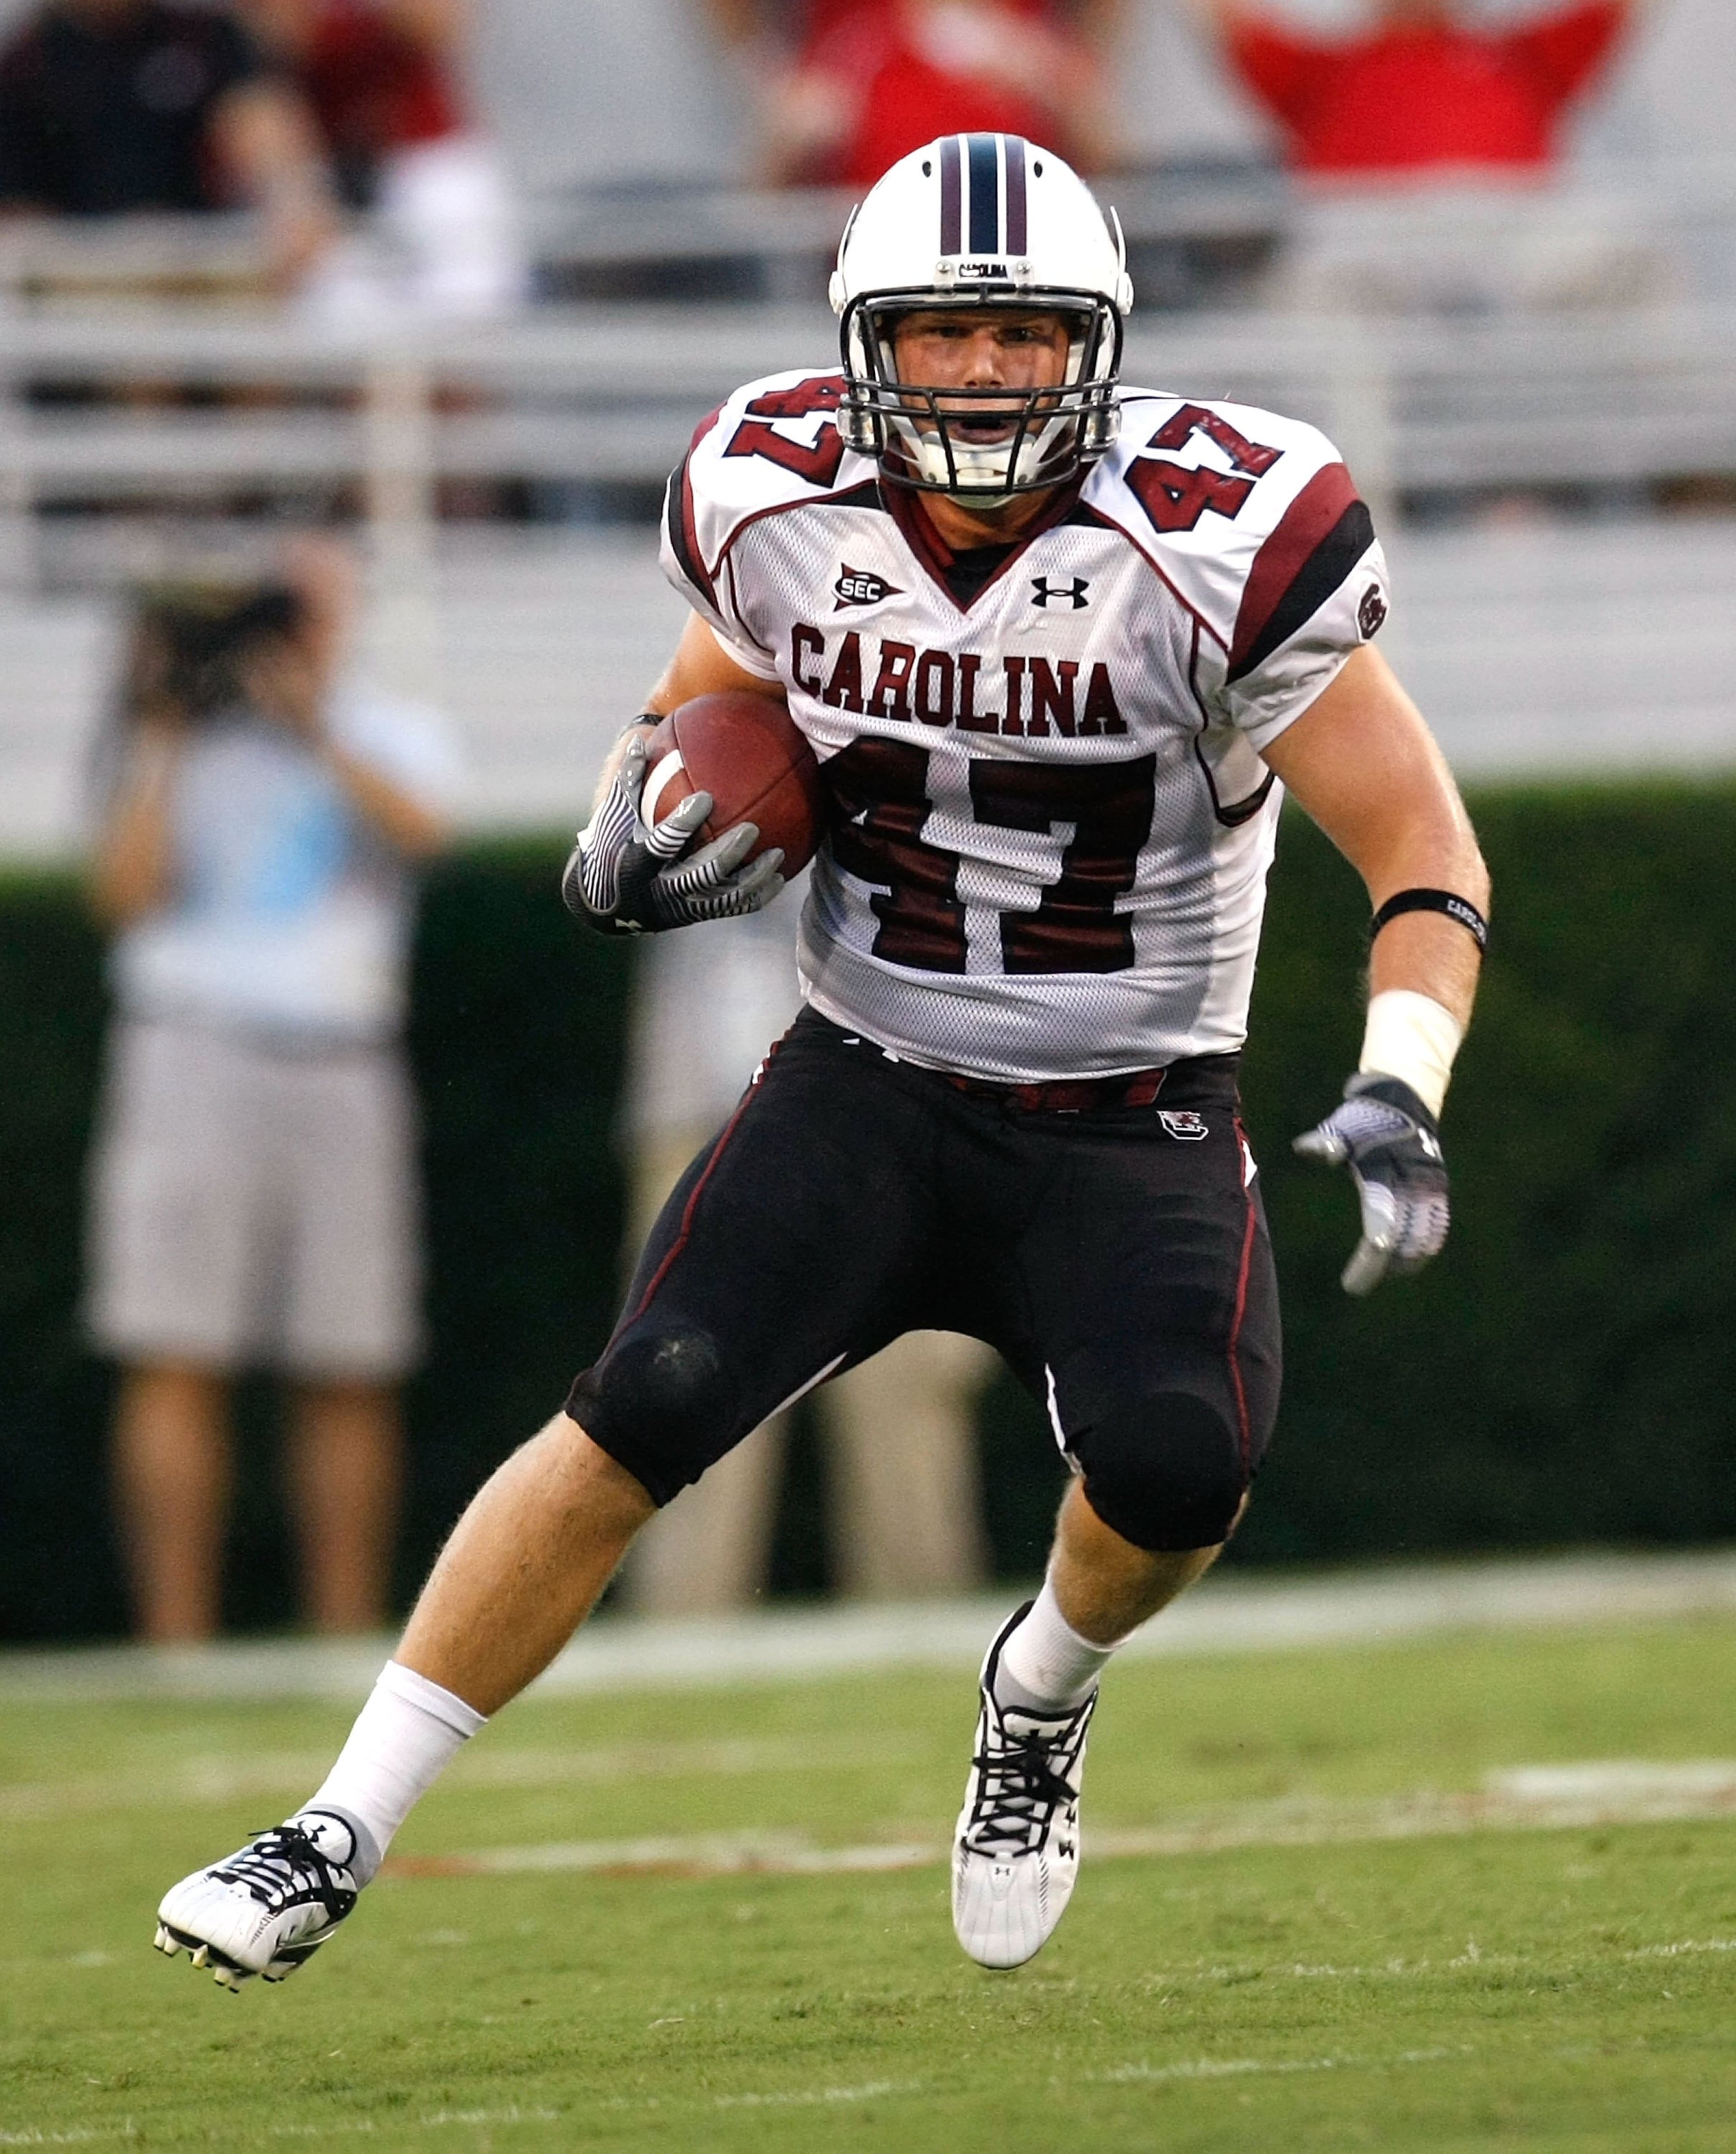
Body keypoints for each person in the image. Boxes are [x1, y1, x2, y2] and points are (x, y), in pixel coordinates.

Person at [153, 133, 1488, 1985]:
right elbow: (703, 695)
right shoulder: (773, 498)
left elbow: (1423, 844)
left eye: (1027, 336)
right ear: (869, 345)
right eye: (942, 331)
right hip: (867, 1074)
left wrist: (1400, 1081)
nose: (985, 374)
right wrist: (638, 813)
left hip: (1134, 1110)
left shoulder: (1220, 537)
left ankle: (1038, 1695)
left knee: (1181, 1471)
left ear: (1100, 346)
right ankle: (334, 1827)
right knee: (640, 1403)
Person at [85, 543, 458, 1642]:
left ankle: (343, 1625)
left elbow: (423, 835)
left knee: (351, 1353)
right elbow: (122, 893)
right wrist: (161, 725)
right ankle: (176, 1636)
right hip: (191, 1048)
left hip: (341, 1055)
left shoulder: (387, 725)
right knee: (174, 1346)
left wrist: (314, 724)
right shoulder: (175, 732)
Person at [620, 887, 992, 1612]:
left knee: (907, 1430)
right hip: (709, 1097)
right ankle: (678, 1646)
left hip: (897, 1093)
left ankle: (929, 1652)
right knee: (681, 1399)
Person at [0, 0, 336, 290]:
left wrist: (293, 198)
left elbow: (260, 118)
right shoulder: (23, 64)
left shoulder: (203, 36)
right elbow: (20, 219)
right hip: (87, 276)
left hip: (205, 263)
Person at [242, 0, 528, 322]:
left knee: (468, 316)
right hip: (331, 164)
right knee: (336, 318)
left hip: (427, 156)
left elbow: (440, 29)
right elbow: (269, 59)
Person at [1188, 0, 1637, 181]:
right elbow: (1225, 19)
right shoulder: (1322, 72)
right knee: (1315, 299)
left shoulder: (1525, 58)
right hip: (1369, 243)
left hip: (1515, 236)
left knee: (1625, 263)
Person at [702, 0, 1122, 187]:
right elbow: (764, 205)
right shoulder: (850, 50)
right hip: (875, 292)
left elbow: (1112, 168)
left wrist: (1062, 88)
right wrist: (765, 81)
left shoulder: (1029, 56)